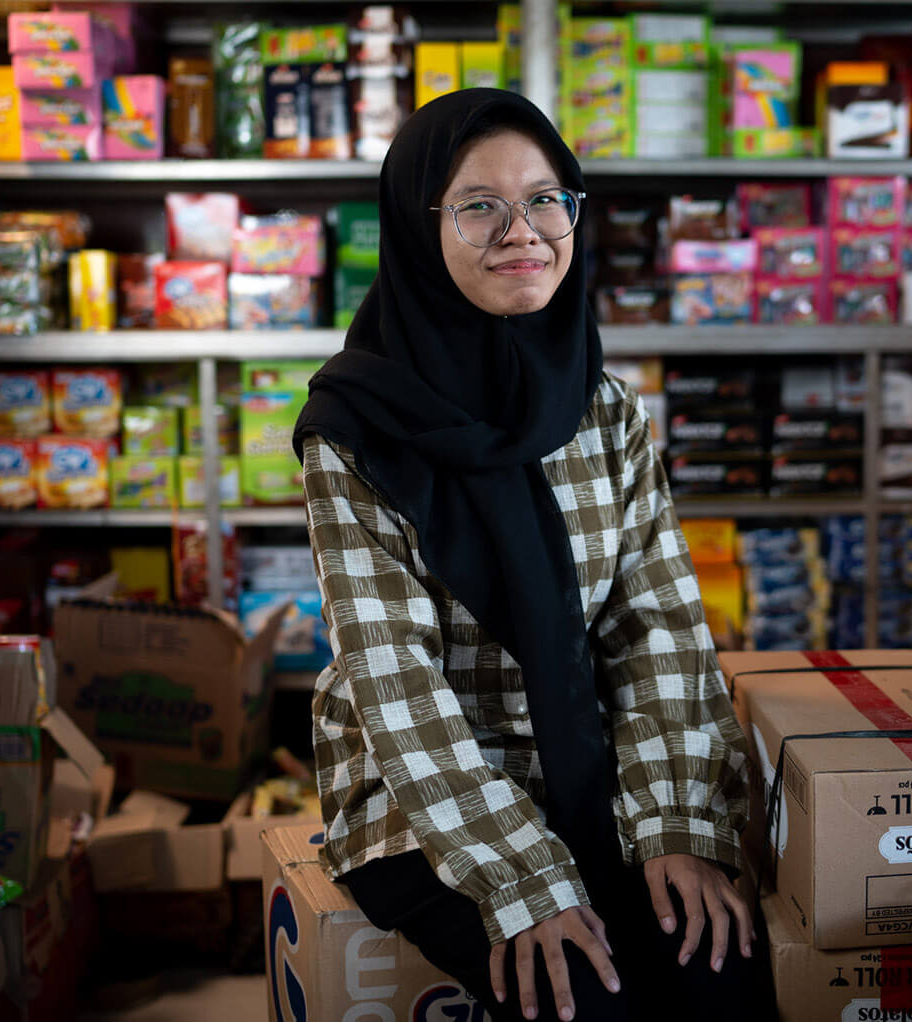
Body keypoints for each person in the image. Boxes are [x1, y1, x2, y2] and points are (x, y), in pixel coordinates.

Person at [292, 89, 772, 1022]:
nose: (525, 233)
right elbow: (398, 687)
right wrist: (524, 879)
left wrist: (675, 822)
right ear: (417, 222)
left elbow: (658, 628)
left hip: (594, 770)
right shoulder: (351, 433)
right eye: (479, 206)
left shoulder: (604, 409)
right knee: (585, 1002)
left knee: (719, 973)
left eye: (548, 199)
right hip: (425, 804)